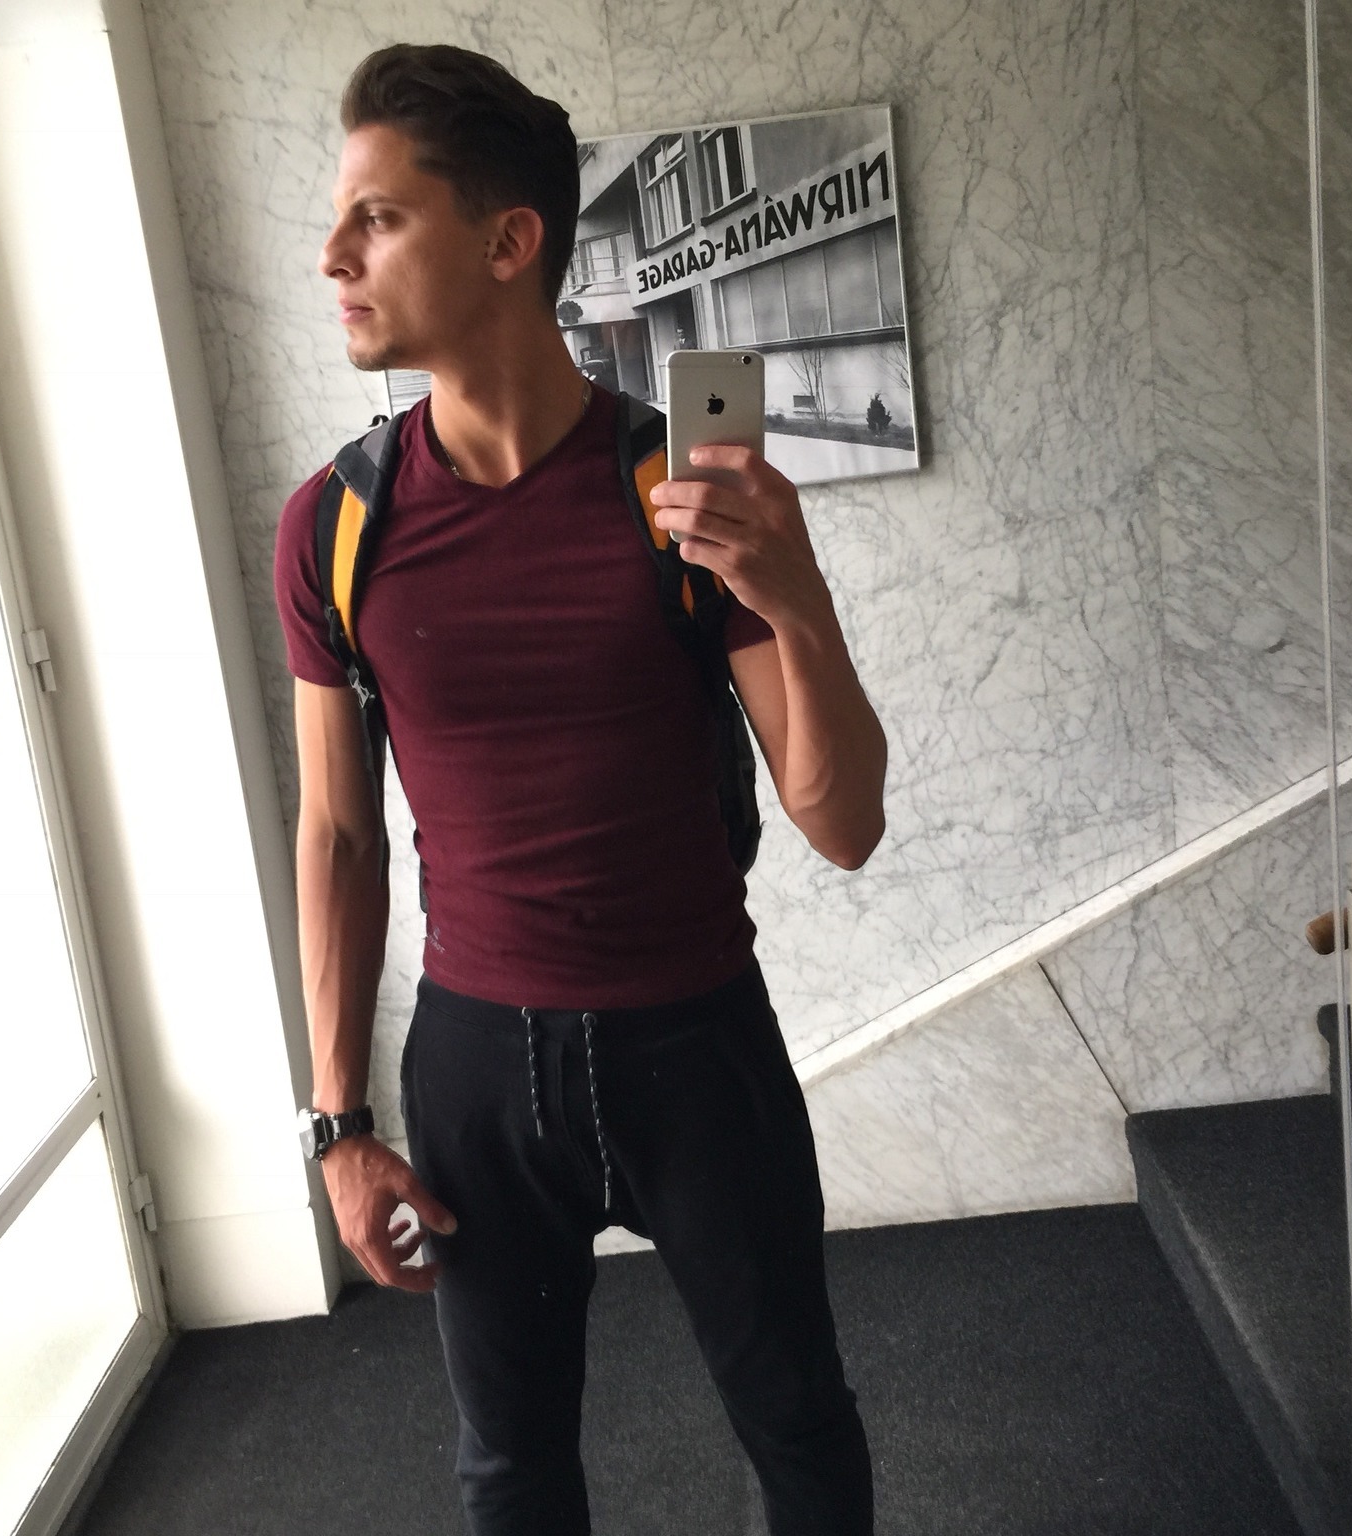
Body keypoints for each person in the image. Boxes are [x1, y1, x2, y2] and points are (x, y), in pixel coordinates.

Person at [272, 42, 888, 1536]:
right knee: (510, 1468)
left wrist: (798, 599)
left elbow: (843, 822)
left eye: (377, 219)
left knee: (800, 1429)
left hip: (698, 1050)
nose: (333, 256)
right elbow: (340, 833)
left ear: (508, 241)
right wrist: (337, 1125)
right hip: (478, 1068)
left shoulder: (675, 489)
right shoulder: (334, 526)